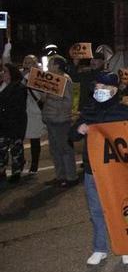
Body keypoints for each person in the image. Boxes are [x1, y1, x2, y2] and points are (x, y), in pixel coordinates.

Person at [70, 72, 128, 265]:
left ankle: (126, 247)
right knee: (96, 211)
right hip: (93, 170)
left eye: (103, 87)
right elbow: (72, 136)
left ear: (114, 90)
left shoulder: (127, 112)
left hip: (119, 171)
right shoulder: (89, 110)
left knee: (121, 209)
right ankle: (100, 248)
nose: (99, 90)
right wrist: (79, 129)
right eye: (97, 87)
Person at [42, 56, 78, 188]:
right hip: (51, 118)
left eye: (50, 64)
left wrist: (51, 95)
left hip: (61, 119)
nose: (48, 67)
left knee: (65, 149)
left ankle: (71, 177)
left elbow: (68, 101)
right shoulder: (50, 79)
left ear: (57, 66)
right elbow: (44, 99)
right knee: (55, 149)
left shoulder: (65, 79)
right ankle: (60, 176)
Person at [0, 64, 28, 186]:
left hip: (14, 122)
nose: (3, 73)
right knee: (2, 148)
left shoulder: (18, 87)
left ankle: (16, 171)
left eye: (5, 71)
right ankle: (2, 170)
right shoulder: (2, 85)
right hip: (3, 123)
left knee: (15, 147)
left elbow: (18, 106)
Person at [20, 55, 46, 175]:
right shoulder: (20, 76)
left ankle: (34, 164)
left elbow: (43, 95)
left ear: (35, 64)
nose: (27, 64)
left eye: (30, 62)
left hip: (34, 111)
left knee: (34, 139)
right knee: (18, 137)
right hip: (22, 111)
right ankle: (20, 161)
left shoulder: (40, 76)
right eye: (26, 61)